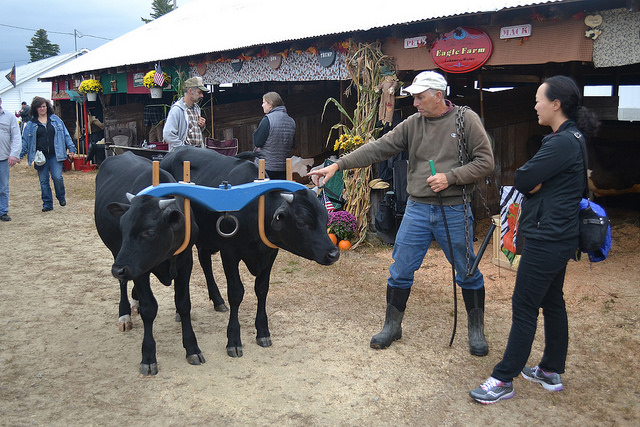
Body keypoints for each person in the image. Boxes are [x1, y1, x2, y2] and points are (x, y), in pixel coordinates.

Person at [308, 71, 495, 355]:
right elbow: (378, 149)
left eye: (420, 97)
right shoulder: (412, 124)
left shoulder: (465, 120)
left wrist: (451, 177)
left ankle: (476, 331)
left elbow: (485, 163)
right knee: (400, 271)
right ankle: (392, 326)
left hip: (455, 209)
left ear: (438, 95)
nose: (415, 102)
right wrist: (337, 166)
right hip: (417, 209)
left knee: (467, 272)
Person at [469, 75, 600, 404]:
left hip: (547, 237)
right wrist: (538, 183)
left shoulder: (559, 142)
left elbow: (524, 177)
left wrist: (534, 182)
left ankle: (503, 379)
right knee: (552, 301)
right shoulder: (575, 137)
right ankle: (550, 369)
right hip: (562, 234)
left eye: (540, 100)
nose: (535, 105)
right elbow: (537, 181)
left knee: (524, 306)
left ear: (556, 104)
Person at [20, 97, 76, 212]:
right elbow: (25, 141)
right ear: (35, 108)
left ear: (47, 107)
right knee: (44, 181)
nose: (42, 108)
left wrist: (71, 148)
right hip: (40, 156)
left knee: (57, 177)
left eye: (44, 106)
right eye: (40, 107)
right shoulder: (31, 124)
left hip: (56, 154)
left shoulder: (56, 120)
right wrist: (19, 155)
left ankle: (61, 196)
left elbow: (66, 135)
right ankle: (47, 204)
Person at [252, 91, 296, 180]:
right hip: (283, 168)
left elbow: (258, 142)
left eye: (264, 102)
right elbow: (292, 144)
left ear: (270, 104)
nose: (262, 105)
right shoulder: (291, 121)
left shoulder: (267, 120)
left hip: (266, 168)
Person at [163, 76, 208, 151]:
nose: (202, 96)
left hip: (198, 152)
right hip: (183, 155)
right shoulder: (177, 110)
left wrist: (202, 126)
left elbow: (192, 132)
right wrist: (183, 148)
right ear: (190, 90)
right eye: (199, 92)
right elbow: (167, 134)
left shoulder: (197, 109)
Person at [0, 97, 22, 221]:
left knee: (3, 187)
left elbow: (16, 137)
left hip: (3, 157)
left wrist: (14, 154)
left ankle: (2, 211)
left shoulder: (9, 117)